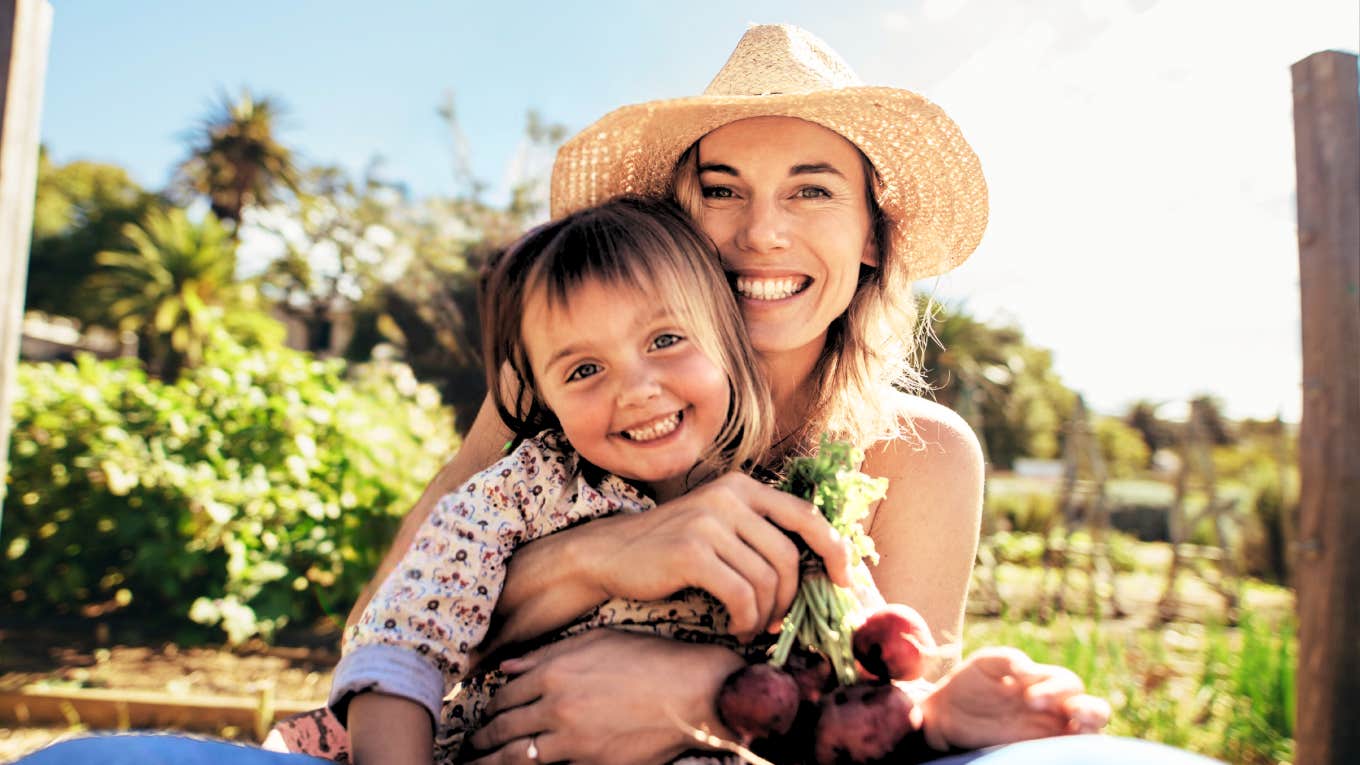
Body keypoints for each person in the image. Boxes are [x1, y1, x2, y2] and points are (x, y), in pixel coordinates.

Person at [18, 23, 1224, 765]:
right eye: (720, 190)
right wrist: (604, 558)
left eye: (811, 191)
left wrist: (700, 691)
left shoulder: (921, 453)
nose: (760, 232)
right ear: (670, 220)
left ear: (871, 238)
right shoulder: (548, 401)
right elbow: (390, 626)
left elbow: (887, 707)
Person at [334, 194, 845, 765]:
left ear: (728, 340)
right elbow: (400, 649)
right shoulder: (514, 495)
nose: (635, 389)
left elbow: (849, 683)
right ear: (540, 394)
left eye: (665, 340)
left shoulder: (789, 511)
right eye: (583, 370)